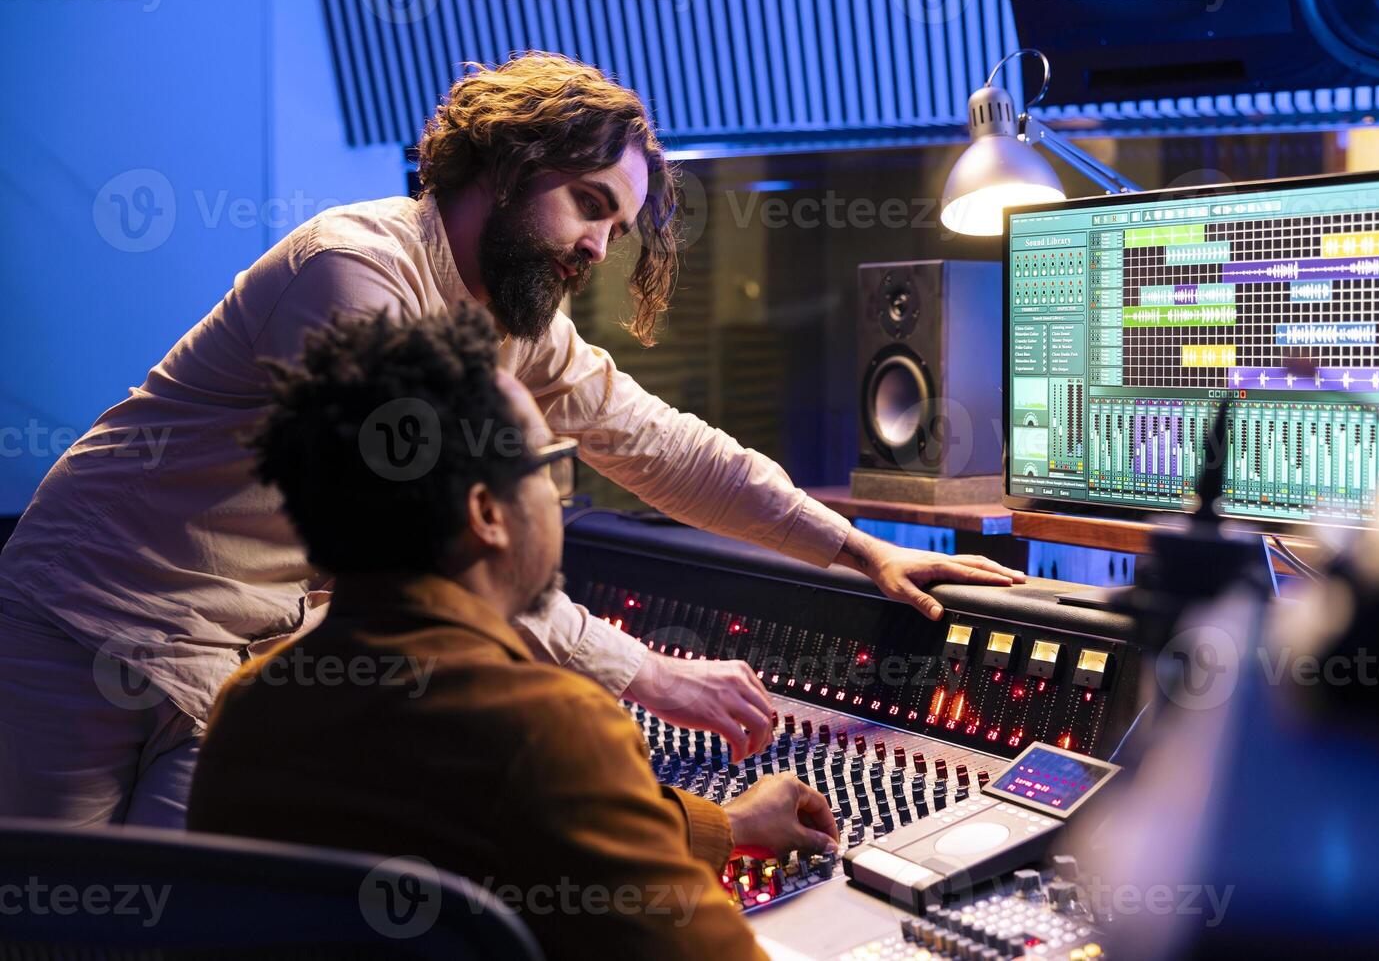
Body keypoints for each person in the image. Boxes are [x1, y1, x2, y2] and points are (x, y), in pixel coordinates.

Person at [0, 51, 1023, 828]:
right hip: (86, 616)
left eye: (617, 228)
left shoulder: (518, 321)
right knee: (63, 921)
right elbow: (444, 543)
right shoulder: (351, 270)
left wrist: (857, 545)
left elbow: (666, 447)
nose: (598, 246)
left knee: (182, 920)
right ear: (510, 158)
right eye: (588, 205)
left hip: (232, 653)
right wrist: (651, 673)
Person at [188, 305, 837, 958]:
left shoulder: (247, 709)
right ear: (487, 513)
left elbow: (504, 828)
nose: (557, 497)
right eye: (548, 466)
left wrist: (728, 825)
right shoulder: (551, 727)